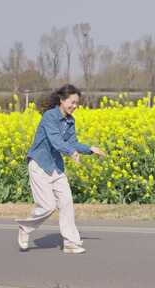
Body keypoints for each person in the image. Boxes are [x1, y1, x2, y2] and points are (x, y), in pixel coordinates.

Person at [15, 84, 106, 253]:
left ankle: (71, 243)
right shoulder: (50, 117)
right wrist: (71, 152)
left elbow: (72, 142)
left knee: (66, 202)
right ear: (62, 101)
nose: (75, 106)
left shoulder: (70, 121)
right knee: (48, 206)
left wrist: (89, 149)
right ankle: (25, 228)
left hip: (56, 166)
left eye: (77, 103)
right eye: (72, 102)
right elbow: (55, 140)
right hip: (40, 164)